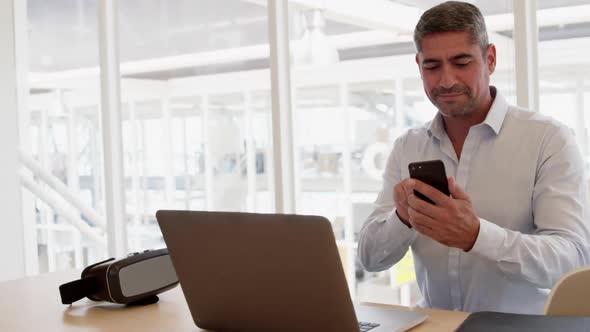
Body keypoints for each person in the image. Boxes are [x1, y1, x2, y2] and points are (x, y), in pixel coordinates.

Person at [358, 1, 590, 314]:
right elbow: (371, 258)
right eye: (432, 66)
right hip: (435, 325)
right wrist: (401, 218)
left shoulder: (549, 139)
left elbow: (573, 259)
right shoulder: (407, 147)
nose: (446, 80)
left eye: (461, 62)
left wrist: (476, 235)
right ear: (418, 65)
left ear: (490, 58)